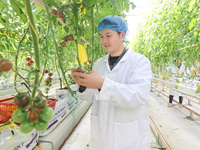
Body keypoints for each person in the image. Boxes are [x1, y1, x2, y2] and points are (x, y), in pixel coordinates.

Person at [71, 15, 152, 150]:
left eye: (108, 35)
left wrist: (101, 84)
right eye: (101, 36)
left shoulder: (139, 62)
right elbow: (94, 96)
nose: (104, 41)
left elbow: (138, 96)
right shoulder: (99, 63)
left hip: (128, 137)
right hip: (102, 136)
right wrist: (83, 85)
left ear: (122, 36)